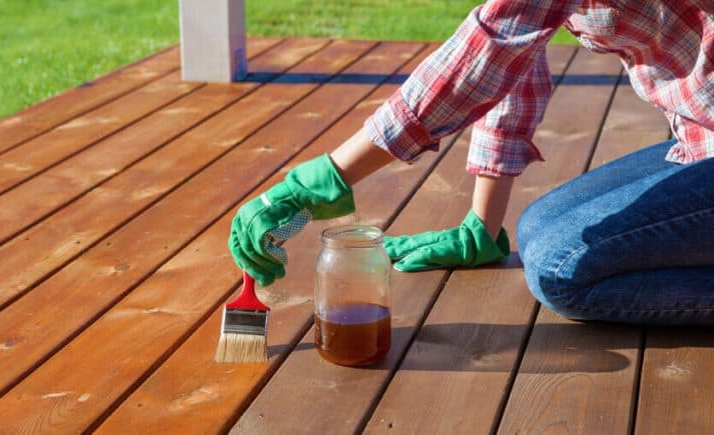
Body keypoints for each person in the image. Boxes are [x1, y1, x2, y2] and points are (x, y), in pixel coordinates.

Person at [228, 0, 714, 324]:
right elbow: (513, 59)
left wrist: (319, 182)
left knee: (557, 271)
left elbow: (478, 61)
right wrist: (482, 227)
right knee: (537, 228)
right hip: (698, 140)